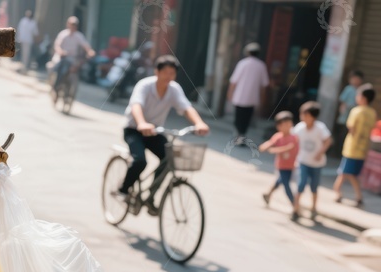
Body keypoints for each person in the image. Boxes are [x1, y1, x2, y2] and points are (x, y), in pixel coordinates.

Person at [117, 55, 209, 214]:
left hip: (155, 132)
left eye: (172, 73)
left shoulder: (174, 89)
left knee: (169, 160)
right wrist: (141, 123)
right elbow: (136, 105)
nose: (168, 76)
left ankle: (151, 195)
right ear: (156, 71)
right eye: (165, 72)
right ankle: (123, 190)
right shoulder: (144, 85)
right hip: (134, 129)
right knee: (140, 161)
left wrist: (199, 123)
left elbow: (186, 107)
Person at [334, 84, 377, 206]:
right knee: (345, 172)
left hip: (352, 148)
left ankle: (356, 195)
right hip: (363, 149)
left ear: (363, 97)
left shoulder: (356, 111)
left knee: (348, 172)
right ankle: (338, 192)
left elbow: (351, 128)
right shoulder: (372, 113)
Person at [291, 102, 332, 220]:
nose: (302, 117)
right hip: (303, 161)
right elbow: (294, 142)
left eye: (305, 114)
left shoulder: (320, 128)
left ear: (312, 116)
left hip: (316, 164)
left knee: (314, 186)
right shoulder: (299, 128)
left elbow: (328, 141)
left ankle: (313, 208)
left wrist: (320, 152)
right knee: (301, 184)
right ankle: (295, 209)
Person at [228, 43, 269, 146]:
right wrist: (263, 99)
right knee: (246, 118)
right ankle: (241, 136)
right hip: (252, 98)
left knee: (238, 117)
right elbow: (264, 86)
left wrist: (230, 93)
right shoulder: (261, 65)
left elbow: (233, 81)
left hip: (240, 96)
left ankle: (239, 136)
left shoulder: (242, 63)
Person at [258, 112, 298, 212]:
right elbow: (270, 144)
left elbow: (292, 149)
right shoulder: (278, 136)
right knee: (285, 184)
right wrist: (265, 147)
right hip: (281, 165)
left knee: (280, 181)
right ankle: (295, 205)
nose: (288, 126)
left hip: (291, 165)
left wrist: (274, 150)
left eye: (289, 124)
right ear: (279, 126)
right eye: (285, 125)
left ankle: (268, 194)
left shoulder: (294, 138)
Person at [50, 16, 95, 95]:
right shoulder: (63, 34)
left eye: (75, 24)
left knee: (74, 69)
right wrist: (60, 51)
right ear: (68, 24)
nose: (73, 26)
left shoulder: (78, 36)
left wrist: (90, 51)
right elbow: (57, 45)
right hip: (61, 57)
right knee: (53, 68)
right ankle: (54, 86)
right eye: (72, 24)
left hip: (72, 58)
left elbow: (85, 46)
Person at [336, 70, 364, 152]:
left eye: (357, 79)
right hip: (345, 117)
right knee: (341, 134)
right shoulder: (348, 89)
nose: (355, 81)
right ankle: (338, 151)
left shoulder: (360, 90)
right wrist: (342, 112)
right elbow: (342, 102)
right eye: (354, 79)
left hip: (354, 117)